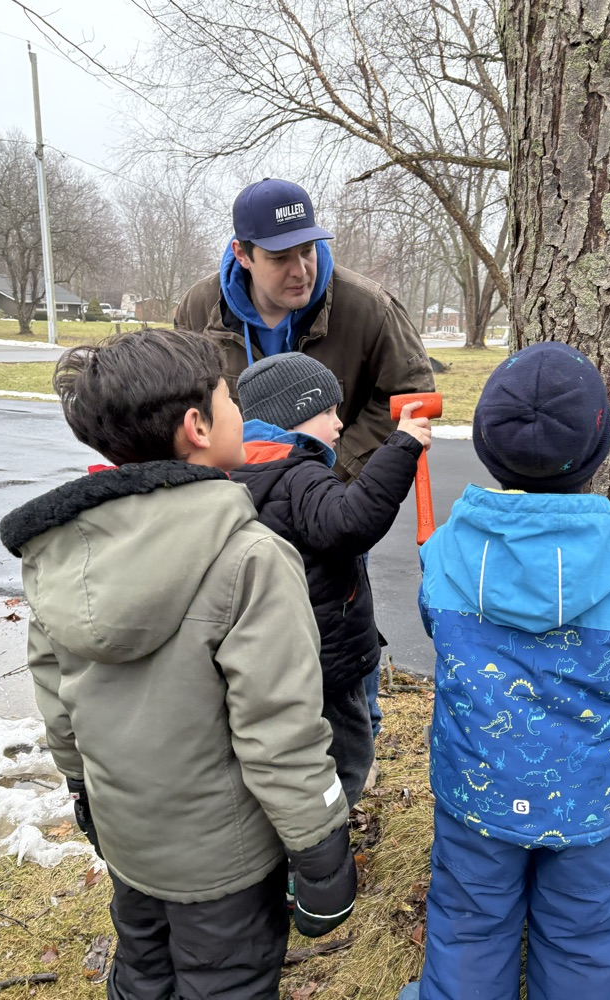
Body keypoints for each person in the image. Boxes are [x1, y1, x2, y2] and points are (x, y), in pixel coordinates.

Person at [0, 328, 357, 1000]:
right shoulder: (249, 557)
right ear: (198, 426)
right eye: (228, 398)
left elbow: (58, 705)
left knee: (142, 974)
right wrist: (321, 850)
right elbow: (279, 730)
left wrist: (84, 797)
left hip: (128, 841)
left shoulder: (58, 552)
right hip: (226, 865)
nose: (237, 411)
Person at [399, 341, 610, 1000]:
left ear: (487, 443)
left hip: (477, 794)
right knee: (581, 939)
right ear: (597, 453)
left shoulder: (449, 550)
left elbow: (439, 627)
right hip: (588, 804)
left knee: (468, 928)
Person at [175, 176, 435, 744]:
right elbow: (177, 403)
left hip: (326, 505)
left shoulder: (367, 307)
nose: (301, 269)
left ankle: (354, 745)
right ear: (242, 254)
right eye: (280, 257)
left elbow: (409, 392)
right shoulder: (200, 307)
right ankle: (272, 758)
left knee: (341, 634)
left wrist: (332, 470)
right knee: (248, 640)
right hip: (231, 516)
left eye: (308, 250)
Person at [232, 351, 431, 809]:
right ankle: (329, 834)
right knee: (345, 756)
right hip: (329, 658)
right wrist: (400, 447)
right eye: (327, 412)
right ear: (295, 415)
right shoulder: (297, 474)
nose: (339, 424)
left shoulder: (244, 471)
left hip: (277, 660)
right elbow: (351, 520)